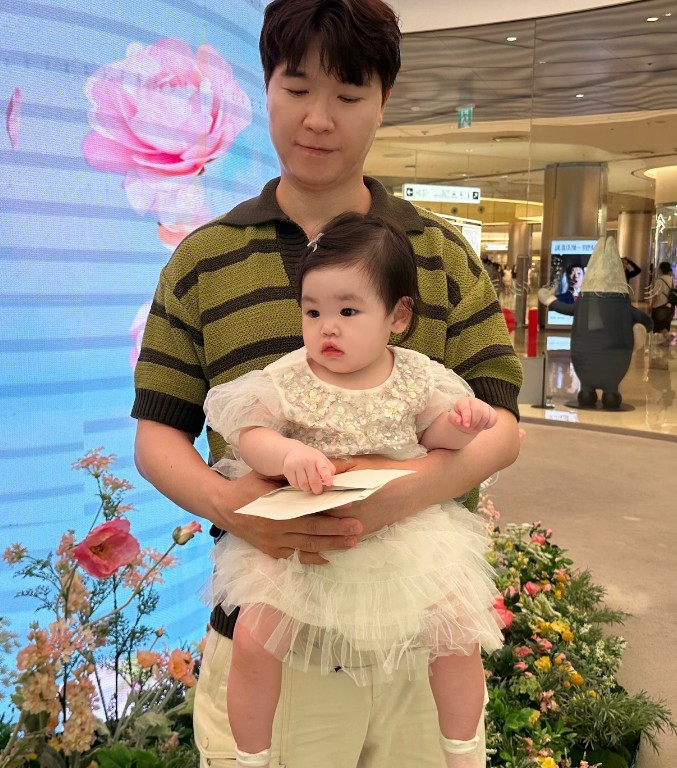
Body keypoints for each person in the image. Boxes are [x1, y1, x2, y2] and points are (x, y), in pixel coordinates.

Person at [131, 1, 523, 766]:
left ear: (383, 100)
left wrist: (401, 494)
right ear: (266, 86)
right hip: (269, 635)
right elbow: (157, 435)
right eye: (296, 87)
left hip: (414, 641)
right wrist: (232, 508)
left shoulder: (440, 254)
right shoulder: (202, 261)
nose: (318, 118)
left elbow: (501, 427)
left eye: (347, 94)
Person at [203, 212, 504, 768]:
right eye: (312, 311)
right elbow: (249, 433)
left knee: (457, 627)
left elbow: (436, 435)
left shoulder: (415, 374)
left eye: (347, 311)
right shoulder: (291, 376)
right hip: (305, 539)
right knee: (255, 636)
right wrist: (287, 455)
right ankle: (251, 755)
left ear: (398, 315)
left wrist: (463, 424)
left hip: (403, 531)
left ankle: (461, 749)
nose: (327, 328)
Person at [650, 260, 675, 344]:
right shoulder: (671, 280)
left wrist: (651, 305)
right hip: (670, 306)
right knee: (664, 323)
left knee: (658, 323)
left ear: (661, 269)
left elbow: (655, 295)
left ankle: (667, 336)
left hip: (660, 306)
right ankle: (666, 338)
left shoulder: (660, 281)